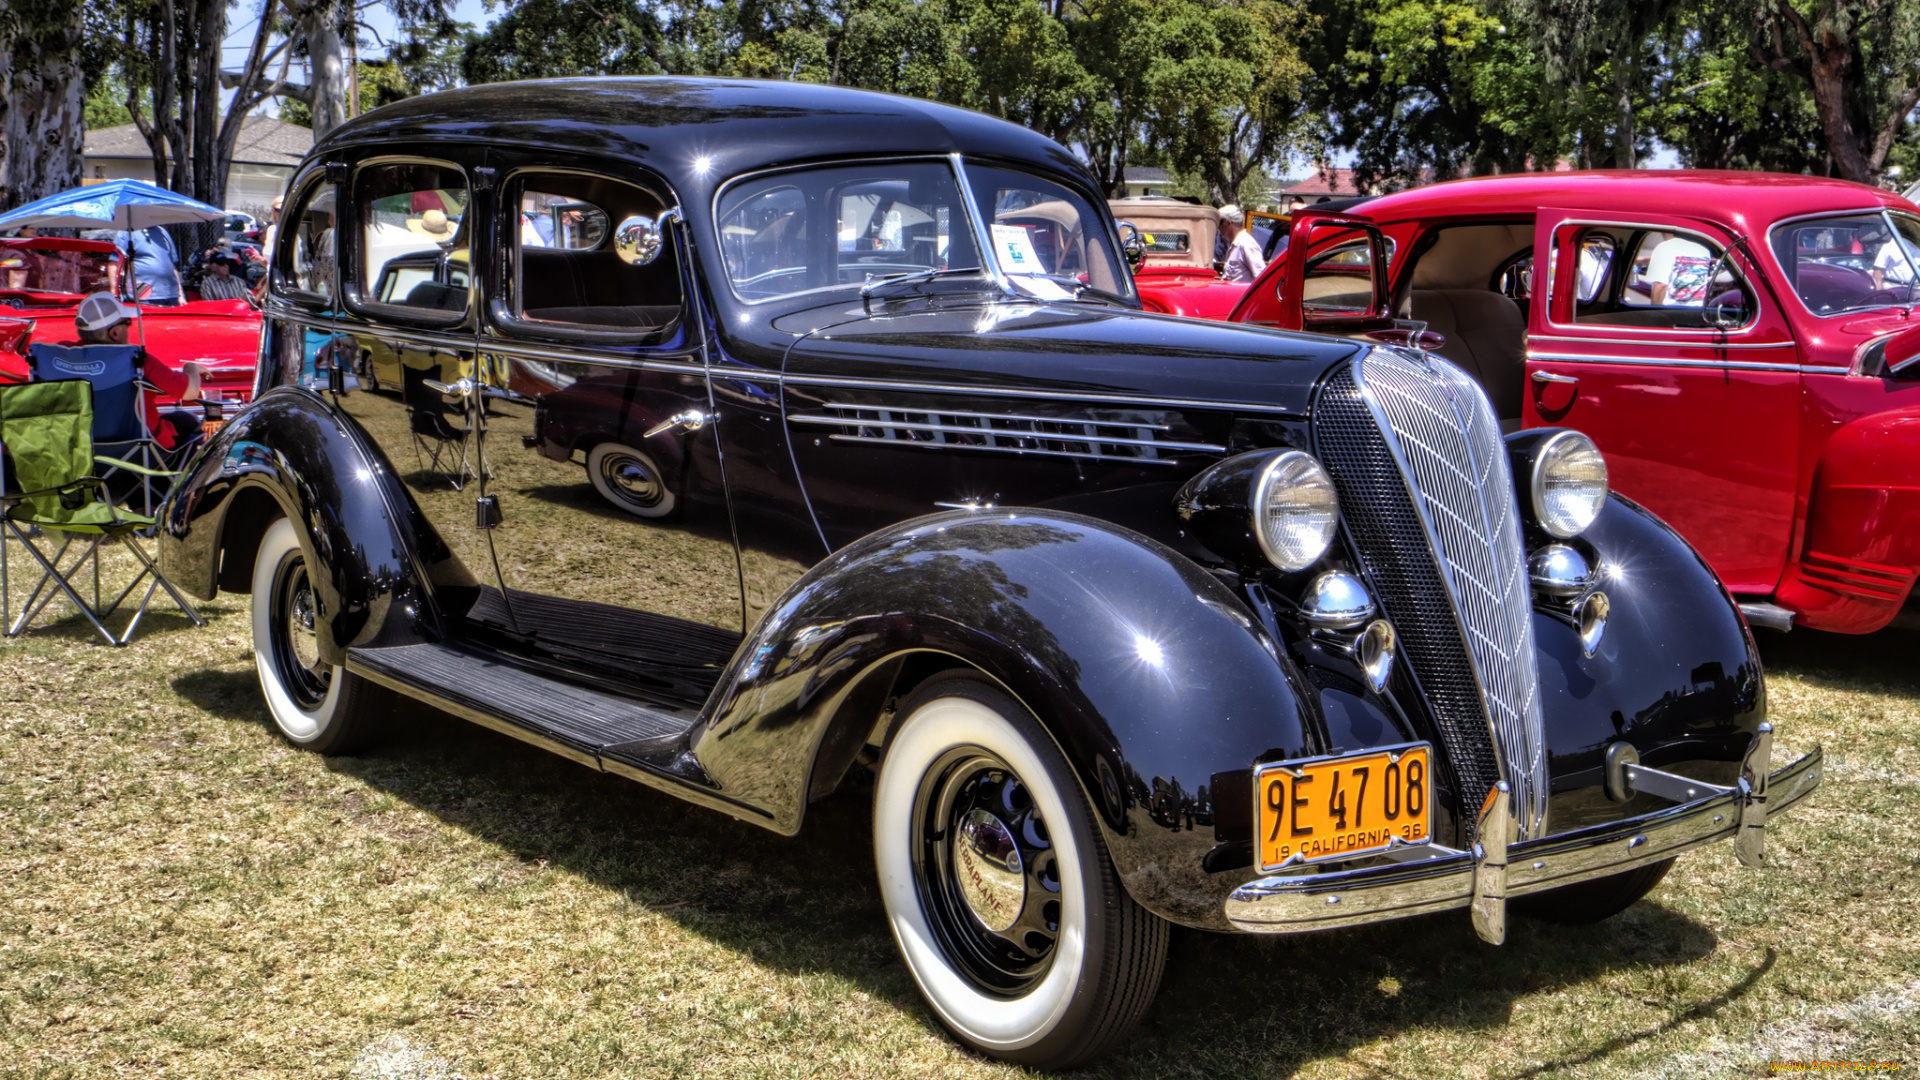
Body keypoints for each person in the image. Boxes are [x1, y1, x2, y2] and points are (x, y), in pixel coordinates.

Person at [69, 292, 208, 456]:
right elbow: (190, 392)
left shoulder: (63, 358)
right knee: (186, 420)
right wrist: (190, 367)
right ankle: (171, 481)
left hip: (82, 449)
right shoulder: (137, 360)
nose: (129, 328)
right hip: (137, 452)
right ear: (115, 333)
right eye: (127, 323)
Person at [118, 225, 183, 306]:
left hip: (170, 293)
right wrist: (115, 294)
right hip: (144, 294)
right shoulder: (126, 232)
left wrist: (180, 294)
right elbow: (115, 263)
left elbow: (172, 265)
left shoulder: (162, 232)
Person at [1645, 232, 1714, 306]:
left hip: (1671, 311)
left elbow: (1660, 285)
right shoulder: (1704, 249)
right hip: (1698, 311)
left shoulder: (1665, 247)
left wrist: (1655, 314)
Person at [1219, 204, 1267, 284]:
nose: (1218, 227)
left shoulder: (1246, 244)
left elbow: (1262, 278)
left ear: (1228, 222)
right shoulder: (1233, 244)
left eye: (1220, 222)